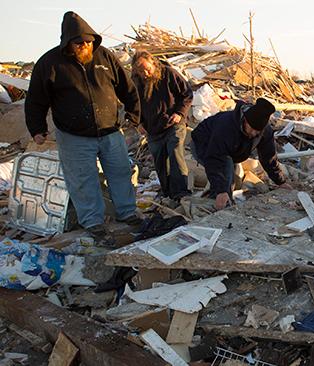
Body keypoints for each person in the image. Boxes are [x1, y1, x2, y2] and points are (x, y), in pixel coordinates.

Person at [24, 11, 142, 246]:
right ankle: (93, 222)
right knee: (83, 179)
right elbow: (36, 100)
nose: (85, 46)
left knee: (120, 172)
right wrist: (36, 128)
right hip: (74, 136)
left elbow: (127, 88)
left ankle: (127, 213)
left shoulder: (104, 57)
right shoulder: (50, 64)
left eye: (88, 42)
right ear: (68, 42)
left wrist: (134, 115)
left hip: (110, 131)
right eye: (79, 43)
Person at [190, 98, 292, 209]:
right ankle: (220, 203)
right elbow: (215, 159)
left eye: (257, 132)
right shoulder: (226, 126)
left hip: (231, 151)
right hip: (203, 144)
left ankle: (224, 198)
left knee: (230, 174)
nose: (253, 133)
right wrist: (221, 191)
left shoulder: (264, 131)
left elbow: (269, 157)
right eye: (251, 129)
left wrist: (280, 181)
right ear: (245, 120)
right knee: (225, 168)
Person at [131, 50, 193, 203]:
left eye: (147, 69)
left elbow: (187, 94)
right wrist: (138, 123)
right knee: (159, 161)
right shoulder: (136, 81)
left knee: (175, 154)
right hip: (153, 128)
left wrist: (180, 113)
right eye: (140, 70)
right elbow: (132, 105)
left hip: (173, 123)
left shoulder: (169, 74)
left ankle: (181, 193)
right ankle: (167, 192)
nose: (145, 73)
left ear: (153, 63)